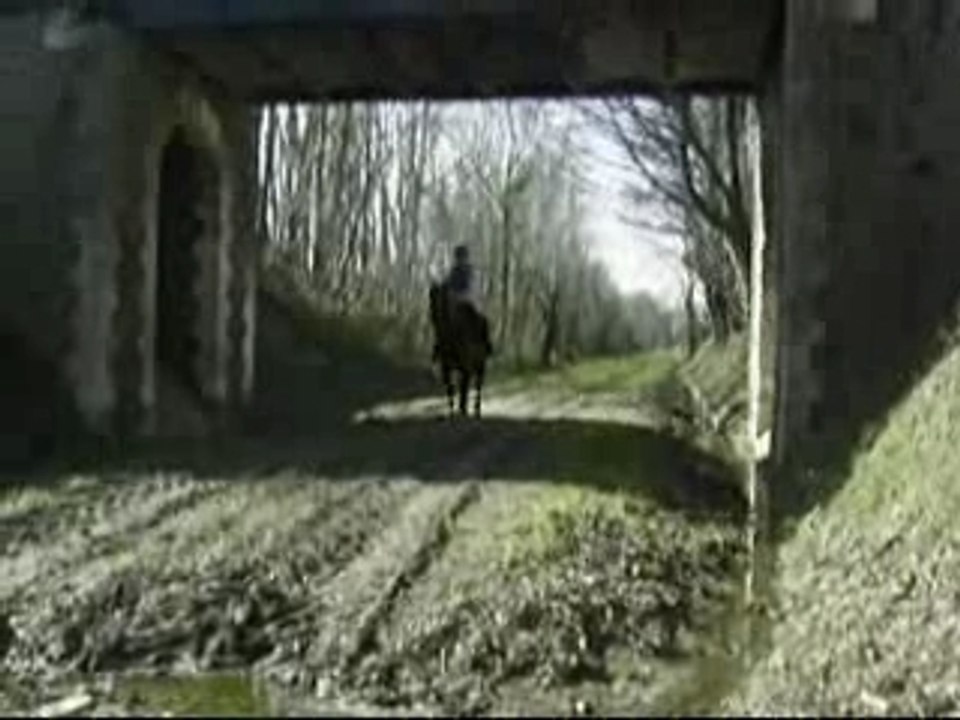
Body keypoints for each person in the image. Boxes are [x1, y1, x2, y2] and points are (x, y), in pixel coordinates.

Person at [434, 245, 493, 359]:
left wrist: (464, 295)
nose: (460, 260)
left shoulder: (470, 270)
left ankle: (486, 345)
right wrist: (443, 287)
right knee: (443, 322)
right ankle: (439, 347)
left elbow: (472, 286)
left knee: (482, 320)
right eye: (458, 257)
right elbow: (448, 283)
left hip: (468, 300)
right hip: (454, 301)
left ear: (466, 257)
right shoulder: (454, 271)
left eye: (462, 257)